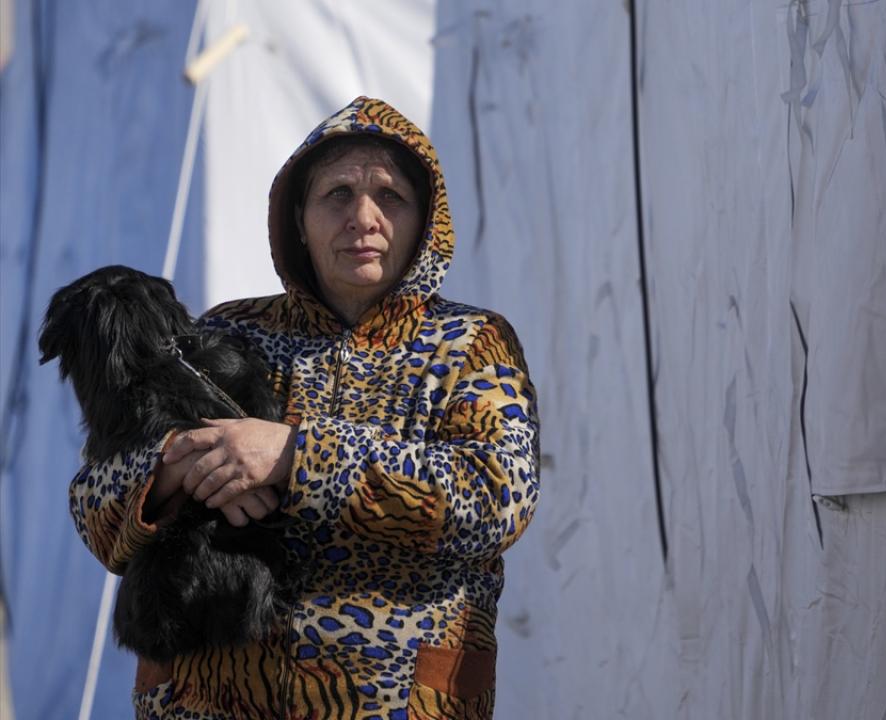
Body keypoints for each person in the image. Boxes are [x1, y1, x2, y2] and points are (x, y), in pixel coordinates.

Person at [68, 96, 539, 720]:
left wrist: (297, 456)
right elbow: (93, 504)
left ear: (426, 220)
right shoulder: (228, 333)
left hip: (396, 703)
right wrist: (178, 464)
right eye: (337, 194)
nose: (363, 218)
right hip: (211, 702)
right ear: (298, 217)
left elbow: (496, 499)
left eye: (390, 196)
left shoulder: (470, 345)